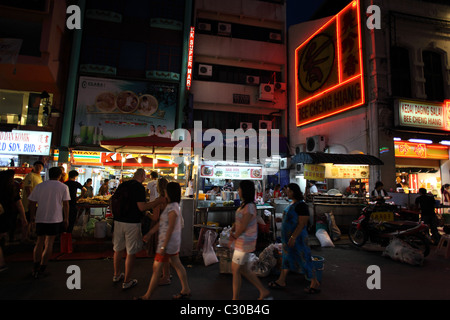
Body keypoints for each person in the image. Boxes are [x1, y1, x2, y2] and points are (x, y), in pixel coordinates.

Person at [112, 169, 165, 290]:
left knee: (118, 249)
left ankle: (116, 275)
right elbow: (142, 207)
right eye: (145, 176)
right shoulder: (139, 188)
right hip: (132, 222)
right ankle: (127, 281)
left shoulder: (123, 184)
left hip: (118, 221)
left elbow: (112, 201)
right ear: (142, 176)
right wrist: (156, 202)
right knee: (131, 252)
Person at [137, 182, 191, 300]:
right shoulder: (173, 206)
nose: (164, 192)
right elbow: (162, 222)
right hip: (171, 244)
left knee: (157, 269)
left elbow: (170, 228)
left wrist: (163, 247)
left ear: (169, 192)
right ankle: (185, 289)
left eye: (166, 190)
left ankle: (147, 296)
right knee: (177, 265)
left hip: (167, 244)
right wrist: (151, 233)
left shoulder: (172, 208)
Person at [268, 183, 321, 294]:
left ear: (293, 192)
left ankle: (314, 283)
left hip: (298, 239)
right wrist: (281, 220)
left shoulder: (301, 205)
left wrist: (293, 237)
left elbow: (302, 223)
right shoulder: (292, 203)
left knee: (304, 259)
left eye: (288, 191)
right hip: (288, 239)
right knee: (286, 259)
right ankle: (281, 280)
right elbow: (292, 219)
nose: (286, 192)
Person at [229, 180, 270, 300]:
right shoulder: (245, 205)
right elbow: (239, 222)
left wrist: (235, 235)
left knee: (235, 269)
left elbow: (244, 226)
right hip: (241, 241)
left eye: (240, 188)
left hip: (244, 243)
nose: (238, 190)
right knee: (243, 269)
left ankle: (235, 298)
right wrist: (233, 228)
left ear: (245, 191)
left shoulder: (250, 206)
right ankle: (263, 291)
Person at [28, 167, 70, 278]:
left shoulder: (40, 186)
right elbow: (66, 204)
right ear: (60, 175)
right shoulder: (63, 187)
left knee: (39, 242)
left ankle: (35, 267)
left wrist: (32, 216)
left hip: (40, 218)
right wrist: (66, 218)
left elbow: (32, 202)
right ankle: (42, 267)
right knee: (49, 243)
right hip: (55, 218)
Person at [143, 178, 171, 285]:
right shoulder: (170, 200)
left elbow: (155, 217)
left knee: (162, 253)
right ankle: (166, 273)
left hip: (160, 229)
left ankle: (166, 276)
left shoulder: (159, 200)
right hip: (169, 227)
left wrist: (147, 214)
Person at [0, 170, 27, 272]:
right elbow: (19, 205)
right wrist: (23, 218)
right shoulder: (13, 190)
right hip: (8, 216)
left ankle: (2, 263)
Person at [22, 161, 44, 241]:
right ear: (33, 167)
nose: (39, 168)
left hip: (35, 203)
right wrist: (31, 200)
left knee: (32, 220)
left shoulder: (39, 177)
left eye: (40, 166)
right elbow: (28, 189)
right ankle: (25, 237)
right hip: (29, 203)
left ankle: (29, 236)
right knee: (27, 220)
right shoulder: (30, 175)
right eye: (37, 166)